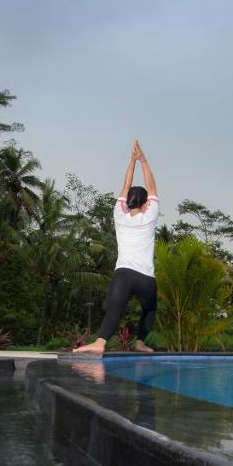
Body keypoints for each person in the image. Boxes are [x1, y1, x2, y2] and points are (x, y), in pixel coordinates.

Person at [75, 140, 160, 354]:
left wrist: (131, 161)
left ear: (128, 202)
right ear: (145, 203)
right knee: (150, 308)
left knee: (114, 310)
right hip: (145, 278)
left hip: (123, 274)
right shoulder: (149, 217)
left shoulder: (119, 216)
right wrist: (143, 160)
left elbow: (124, 187)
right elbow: (152, 187)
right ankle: (140, 342)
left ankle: (100, 342)